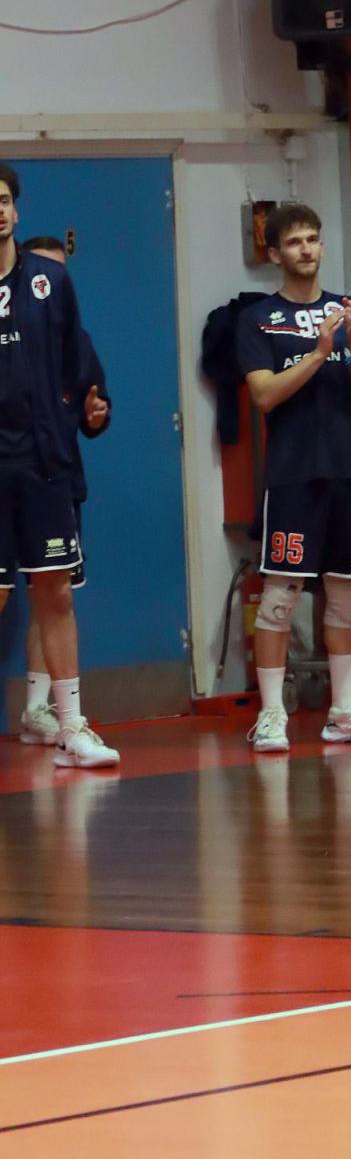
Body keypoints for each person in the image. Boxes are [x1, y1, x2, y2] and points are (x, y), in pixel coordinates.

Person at [236, 202, 351, 754]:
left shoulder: (347, 309)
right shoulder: (258, 317)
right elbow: (264, 395)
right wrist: (318, 353)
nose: (306, 249)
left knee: (348, 592)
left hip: (347, 472)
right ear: (274, 254)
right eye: (294, 242)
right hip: (292, 476)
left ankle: (345, 709)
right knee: (281, 593)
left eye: (313, 239)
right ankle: (271, 714)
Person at [0, 166, 116, 766]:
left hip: (43, 462)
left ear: (15, 211)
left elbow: (80, 366)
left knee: (56, 592)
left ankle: (71, 726)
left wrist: (93, 411)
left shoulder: (50, 281)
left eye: (2, 200)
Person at [15, 238, 110, 747]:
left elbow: (95, 406)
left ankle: (45, 710)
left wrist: (96, 416)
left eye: (59, 275)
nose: (50, 285)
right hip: (10, 473)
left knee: (51, 590)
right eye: (42, 276)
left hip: (55, 476)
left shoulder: (77, 339)